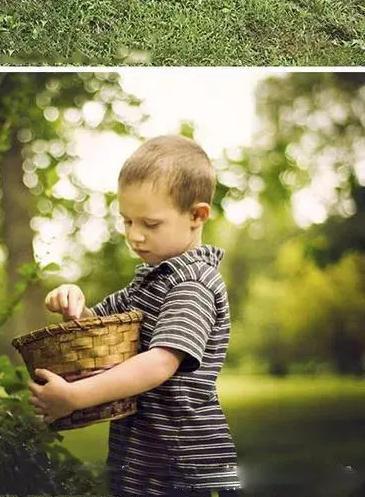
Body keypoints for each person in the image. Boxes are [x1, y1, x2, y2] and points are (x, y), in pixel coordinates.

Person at [28, 135, 242, 497]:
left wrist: (76, 397)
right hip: (143, 455)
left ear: (197, 215)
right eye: (127, 221)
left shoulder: (192, 284)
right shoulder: (152, 279)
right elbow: (101, 329)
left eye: (150, 223)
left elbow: (160, 363)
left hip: (181, 461)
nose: (134, 236)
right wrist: (75, 305)